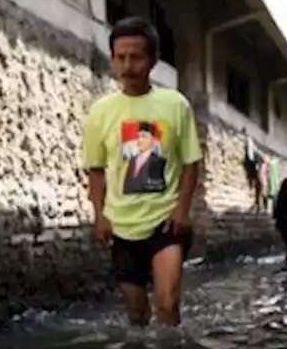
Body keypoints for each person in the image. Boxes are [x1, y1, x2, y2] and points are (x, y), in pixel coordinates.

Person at [82, 17, 204, 327]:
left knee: (167, 304)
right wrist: (99, 214)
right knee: (136, 313)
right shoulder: (101, 111)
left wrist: (182, 208)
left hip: (166, 222)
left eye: (136, 57)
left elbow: (191, 162)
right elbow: (95, 170)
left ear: (152, 60)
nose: (128, 66)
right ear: (112, 59)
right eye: (120, 57)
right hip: (122, 224)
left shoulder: (175, 105)